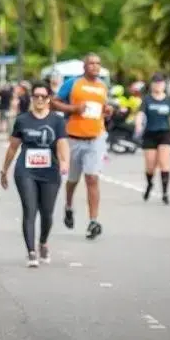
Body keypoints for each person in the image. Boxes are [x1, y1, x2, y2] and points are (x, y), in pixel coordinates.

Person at [0, 81, 69, 266]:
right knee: (30, 210)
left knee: (47, 213)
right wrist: (4, 170)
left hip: (50, 172)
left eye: (43, 96)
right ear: (31, 98)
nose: (39, 99)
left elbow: (62, 144)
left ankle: (43, 242)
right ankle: (31, 252)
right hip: (26, 171)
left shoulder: (57, 120)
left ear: (49, 99)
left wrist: (64, 162)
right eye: (36, 96)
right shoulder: (22, 120)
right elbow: (13, 147)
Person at [52, 53, 111, 240]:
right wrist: (73, 109)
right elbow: (54, 102)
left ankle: (93, 221)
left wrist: (108, 110)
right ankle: (69, 206)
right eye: (91, 63)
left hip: (95, 137)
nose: (95, 66)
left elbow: (103, 107)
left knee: (92, 178)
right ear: (84, 67)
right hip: (73, 138)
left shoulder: (102, 86)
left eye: (98, 63)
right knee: (72, 180)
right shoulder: (73, 84)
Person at [134, 73, 170, 204]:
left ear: (164, 85)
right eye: (155, 83)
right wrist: (138, 125)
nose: (158, 86)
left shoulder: (169, 101)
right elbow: (141, 113)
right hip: (150, 134)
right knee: (150, 166)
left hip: (165, 133)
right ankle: (149, 184)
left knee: (164, 163)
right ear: (152, 85)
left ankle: (165, 193)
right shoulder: (147, 100)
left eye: (160, 83)